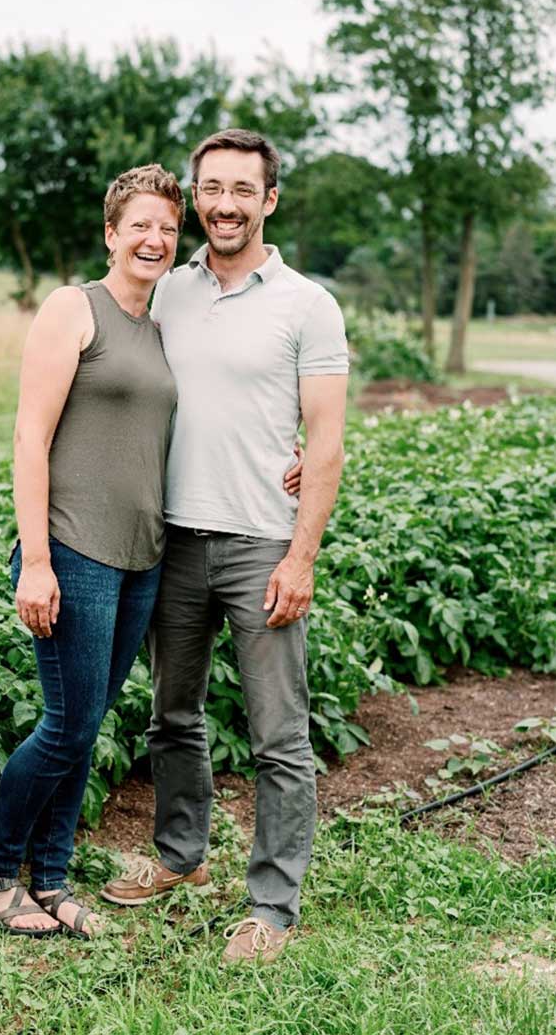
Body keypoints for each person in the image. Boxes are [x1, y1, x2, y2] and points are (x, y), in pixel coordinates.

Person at [101, 129, 349, 965]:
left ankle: (272, 905)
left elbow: (326, 441)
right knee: (173, 715)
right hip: (172, 541)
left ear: (270, 200)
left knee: (279, 734)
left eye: (243, 189)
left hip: (260, 543)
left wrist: (301, 554)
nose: (225, 204)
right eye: (211, 188)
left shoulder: (308, 305)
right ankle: (180, 858)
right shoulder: (166, 290)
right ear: (195, 196)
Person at [0, 164, 187, 938]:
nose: (154, 239)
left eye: (167, 227)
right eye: (140, 226)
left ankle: (52, 879)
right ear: (111, 234)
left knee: (88, 721)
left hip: (141, 557)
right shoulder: (74, 308)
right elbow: (30, 436)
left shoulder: (160, 331)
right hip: (74, 548)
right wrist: (35, 559)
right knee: (65, 723)